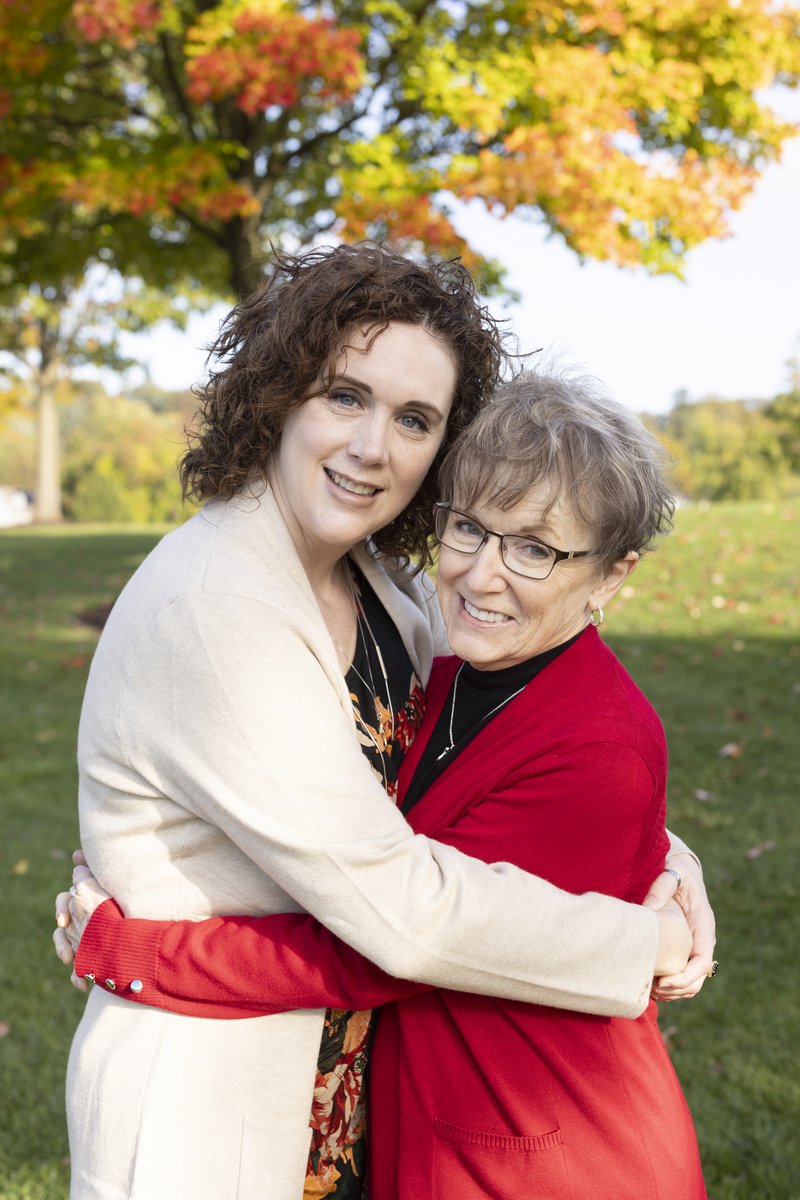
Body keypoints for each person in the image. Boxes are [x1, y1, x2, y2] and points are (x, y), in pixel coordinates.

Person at [57, 245, 712, 1200]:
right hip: (215, 1101)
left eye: (414, 419)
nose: (374, 447)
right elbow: (403, 913)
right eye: (344, 396)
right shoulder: (217, 611)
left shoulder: (379, 579)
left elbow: (476, 788)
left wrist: (660, 857)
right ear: (282, 393)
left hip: (349, 1098)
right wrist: (639, 944)